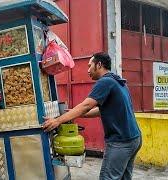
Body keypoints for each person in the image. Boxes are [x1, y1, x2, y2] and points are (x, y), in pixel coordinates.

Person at [43, 52, 142, 180]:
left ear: (99, 65)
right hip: (134, 138)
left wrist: (57, 121)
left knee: (108, 177)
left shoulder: (105, 82)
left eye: (90, 66)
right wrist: (75, 114)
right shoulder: (117, 81)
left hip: (120, 141)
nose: (88, 70)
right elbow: (102, 110)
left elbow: (86, 105)